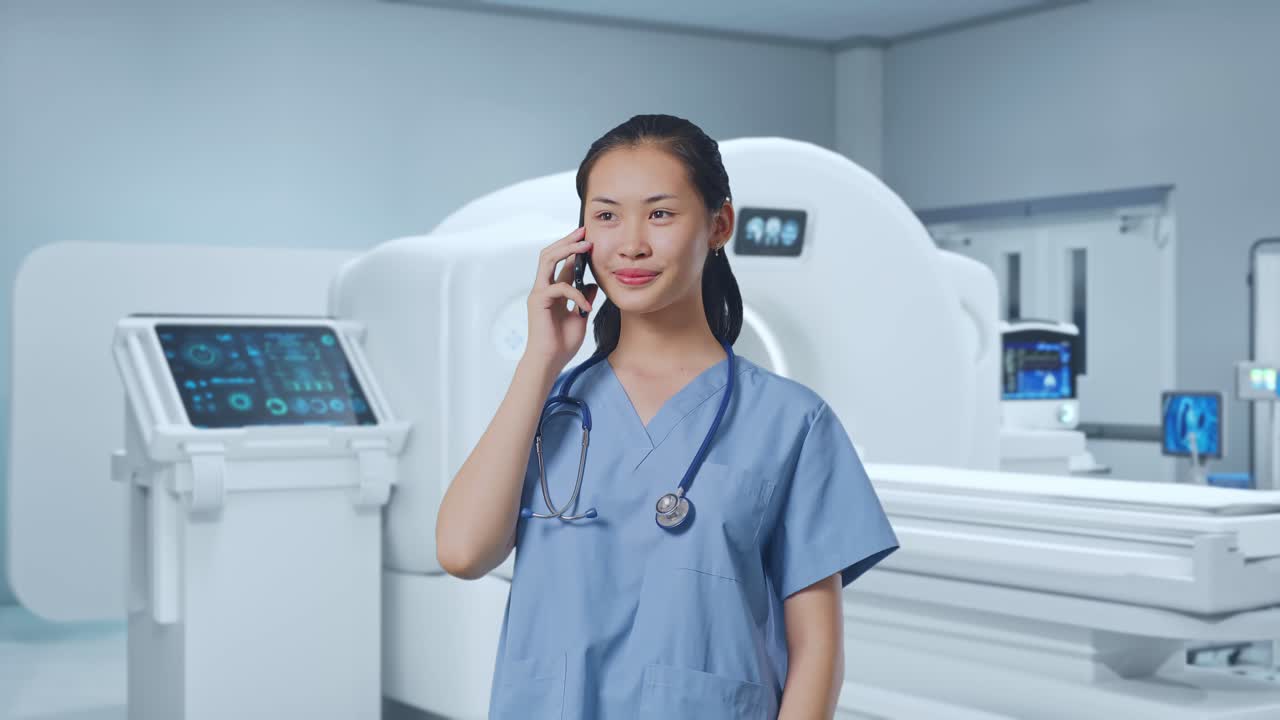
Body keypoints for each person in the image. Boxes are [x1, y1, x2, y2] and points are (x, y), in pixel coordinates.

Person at [436, 114, 899, 719]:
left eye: (660, 213)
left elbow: (816, 651)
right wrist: (541, 358)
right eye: (606, 215)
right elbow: (463, 553)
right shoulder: (548, 410)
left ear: (718, 225)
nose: (631, 243)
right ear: (581, 236)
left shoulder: (793, 423)